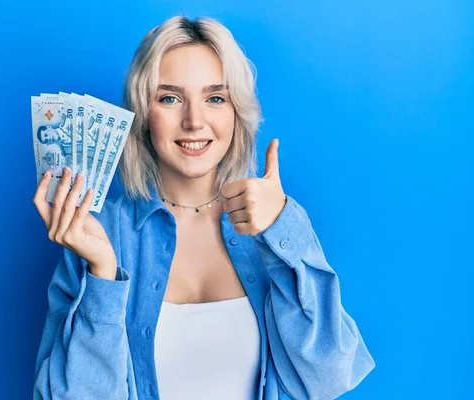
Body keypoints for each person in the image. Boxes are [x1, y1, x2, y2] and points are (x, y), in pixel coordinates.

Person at [32, 16, 375, 400]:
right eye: (170, 98)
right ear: (144, 115)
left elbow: (329, 377)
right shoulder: (99, 232)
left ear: (236, 112)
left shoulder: (274, 221)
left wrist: (282, 229)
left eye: (215, 98)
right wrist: (103, 276)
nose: (194, 121)